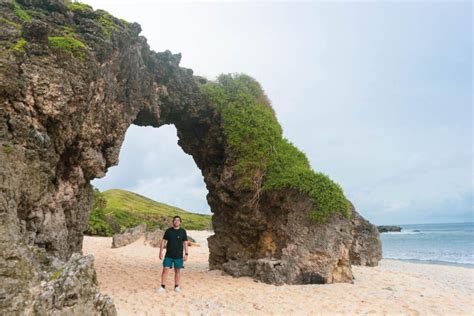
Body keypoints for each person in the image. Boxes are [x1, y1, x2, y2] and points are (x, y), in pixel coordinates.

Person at [157, 215, 189, 293]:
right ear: (173, 222)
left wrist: (186, 254)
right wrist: (160, 252)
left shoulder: (182, 231)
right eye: (175, 220)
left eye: (178, 220)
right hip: (168, 255)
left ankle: (176, 286)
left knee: (177, 271)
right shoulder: (168, 231)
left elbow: (185, 243)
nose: (176, 221)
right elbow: (163, 241)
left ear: (180, 222)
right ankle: (162, 286)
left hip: (178, 255)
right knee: (165, 270)